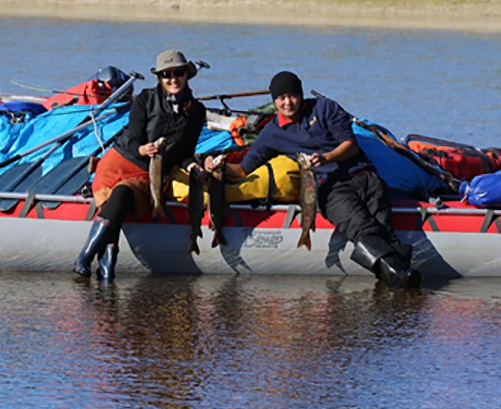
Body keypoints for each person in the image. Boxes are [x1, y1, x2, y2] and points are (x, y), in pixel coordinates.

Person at [205, 71, 420, 288]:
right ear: (274, 101)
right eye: (281, 98)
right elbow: (243, 170)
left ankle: (398, 280)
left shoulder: (324, 107)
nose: (287, 102)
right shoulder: (271, 133)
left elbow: (350, 145)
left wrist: (326, 158)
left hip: (364, 177)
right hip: (330, 189)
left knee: (387, 233)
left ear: (300, 95)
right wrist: (218, 166)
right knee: (362, 228)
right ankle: (401, 284)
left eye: (292, 96)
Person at [74, 49, 207, 281]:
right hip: (120, 160)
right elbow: (134, 135)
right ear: (160, 78)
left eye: (178, 73)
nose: (173, 79)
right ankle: (102, 266)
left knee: (123, 195)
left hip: (149, 173)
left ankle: (88, 258)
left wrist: (193, 167)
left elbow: (185, 153)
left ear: (187, 75)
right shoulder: (146, 99)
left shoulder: (196, 111)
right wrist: (141, 149)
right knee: (115, 200)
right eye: (167, 75)